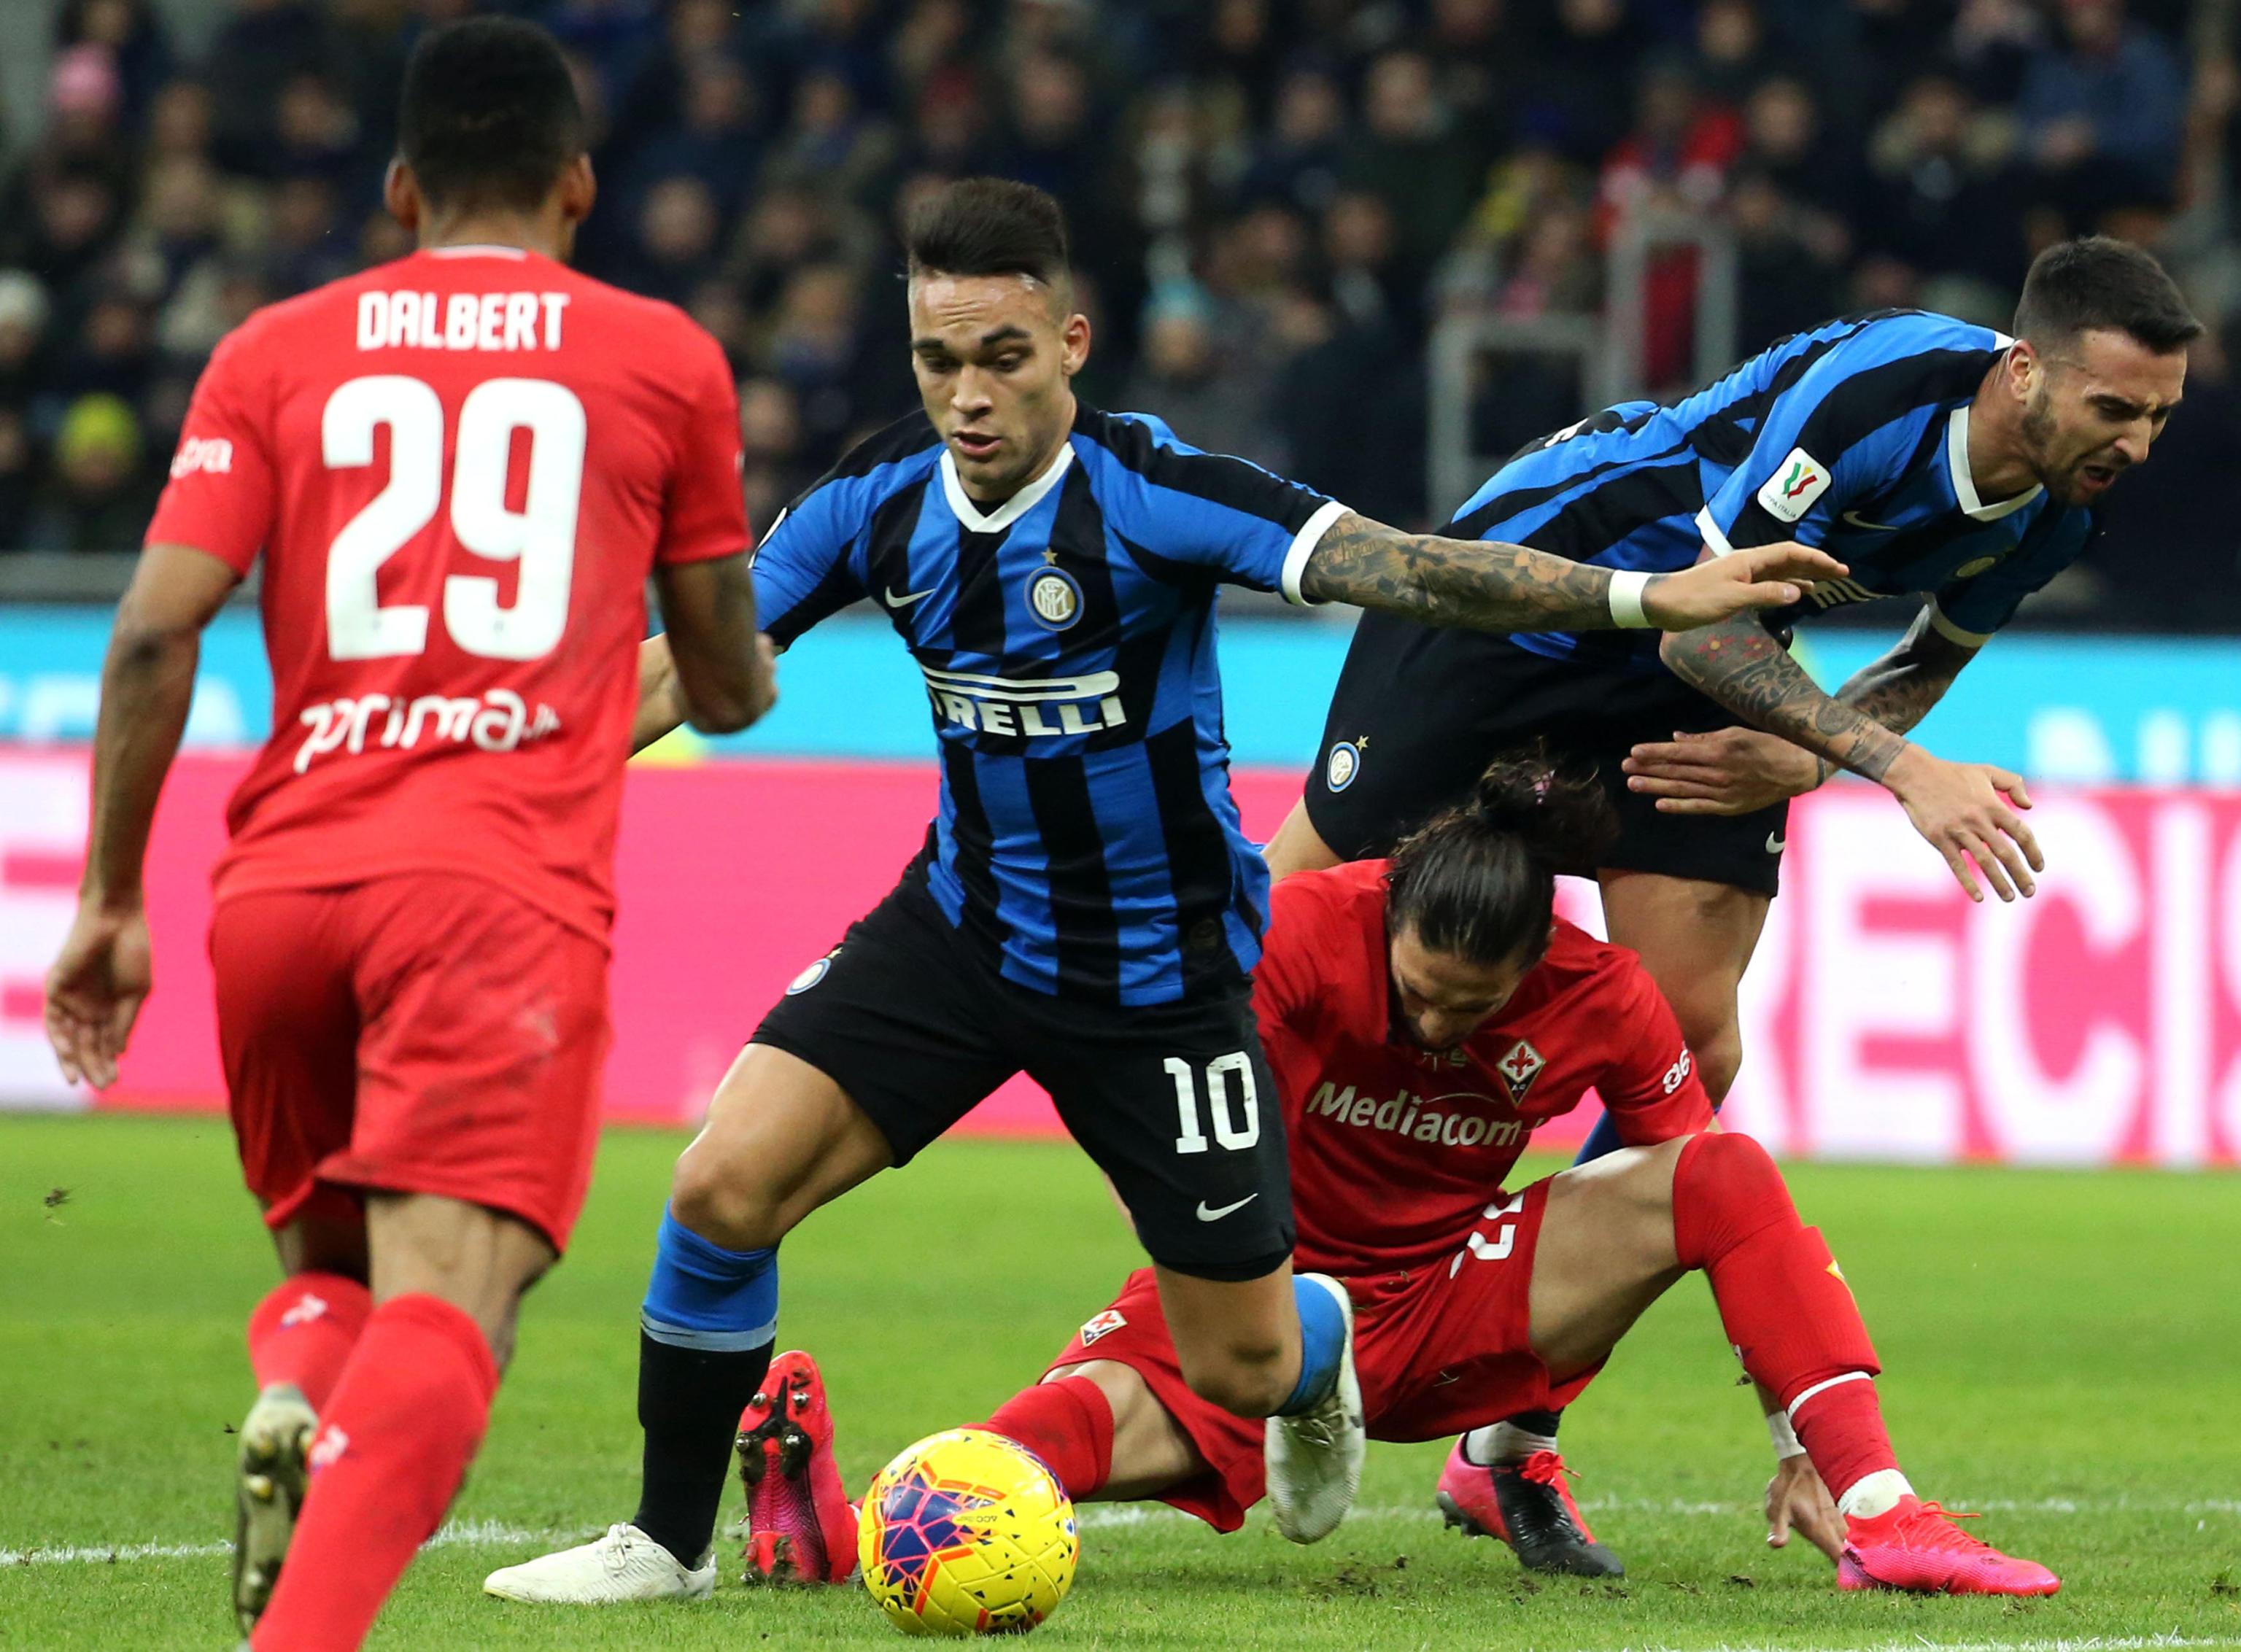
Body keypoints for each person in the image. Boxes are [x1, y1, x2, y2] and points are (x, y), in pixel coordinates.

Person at [484, 176, 1842, 1605]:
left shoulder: (1158, 492)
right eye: (939, 360)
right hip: (962, 928)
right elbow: (685, 666)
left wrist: (1637, 601)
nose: (968, 396)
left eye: (1002, 356)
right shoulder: (876, 498)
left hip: (1164, 978)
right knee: (721, 1180)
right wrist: (505, 779)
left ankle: (1309, 1344)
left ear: (1071, 342)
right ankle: (668, 1540)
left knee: (1237, 1363)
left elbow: (1413, 570)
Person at [1264, 238, 2199, 1554]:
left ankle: (1511, 1443)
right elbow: (1697, 619)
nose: (2139, 445)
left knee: (1696, 1040)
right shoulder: (1881, 394)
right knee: (1278, 926)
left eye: (2161, 415)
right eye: (2116, 409)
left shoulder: (2059, 510)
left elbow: (1922, 663)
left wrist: (1806, 755)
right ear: (2026, 368)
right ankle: (1232, 1309)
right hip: (1524, 607)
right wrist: (1890, 771)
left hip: (1683, 685)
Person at [39, 20, 773, 1650]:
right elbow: (722, 681)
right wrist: (726, 658)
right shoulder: (659, 358)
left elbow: (156, 632)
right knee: (460, 1310)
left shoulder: (274, 350)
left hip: (278, 892)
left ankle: (295, 1397)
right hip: (490, 897)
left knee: (345, 1289)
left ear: (400, 189)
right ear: (580, 185)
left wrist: (107, 900)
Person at [740, 756, 2062, 1597]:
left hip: (1441, 1301)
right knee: (1047, 1442)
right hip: (1259, 1293)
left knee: (1719, 1169)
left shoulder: (1600, 992)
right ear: (1390, 913)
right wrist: (1248, 1314)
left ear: (1536, 957)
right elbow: (1185, 1124)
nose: (1437, 1029)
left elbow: (1692, 1207)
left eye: (1472, 1011)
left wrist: (1777, 1433)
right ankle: (837, 1533)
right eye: (1419, 997)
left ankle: (1875, 1503)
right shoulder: (1300, 929)